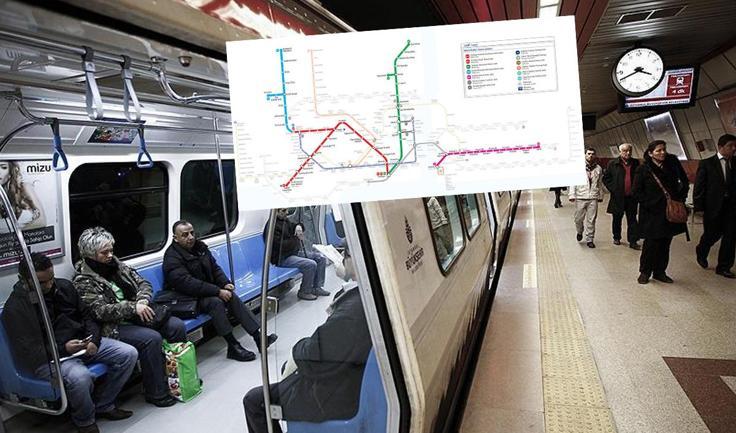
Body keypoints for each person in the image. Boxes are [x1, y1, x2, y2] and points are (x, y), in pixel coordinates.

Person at [2, 252, 137, 433]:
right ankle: (85, 422)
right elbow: (29, 351)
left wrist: (93, 339)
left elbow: (87, 316)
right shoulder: (15, 309)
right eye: (42, 283)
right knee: (80, 377)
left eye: (51, 278)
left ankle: (104, 404)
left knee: (128, 354)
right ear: (24, 280)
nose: (50, 285)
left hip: (81, 344)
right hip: (50, 358)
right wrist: (63, 349)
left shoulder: (64, 287)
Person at [243, 247, 372, 433]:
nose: (342, 259)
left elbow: (313, 355)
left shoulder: (350, 312)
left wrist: (297, 348)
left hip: (335, 393)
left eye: (346, 255)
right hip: (350, 377)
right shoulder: (366, 295)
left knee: (255, 401)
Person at [74, 227, 186, 407]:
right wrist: (133, 307)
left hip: (138, 313)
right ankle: (156, 392)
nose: (110, 255)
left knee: (176, 326)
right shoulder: (83, 281)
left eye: (111, 250)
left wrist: (142, 299)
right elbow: (99, 311)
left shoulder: (118, 266)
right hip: (113, 326)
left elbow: (143, 283)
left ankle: (179, 380)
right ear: (90, 254)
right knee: (151, 339)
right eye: (104, 253)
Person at [162, 220, 277, 362]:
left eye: (192, 233)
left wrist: (225, 283)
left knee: (230, 296)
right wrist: (218, 291)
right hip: (185, 298)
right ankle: (233, 346)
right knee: (215, 302)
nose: (190, 237)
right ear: (175, 238)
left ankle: (259, 338)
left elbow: (215, 268)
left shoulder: (200, 247)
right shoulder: (172, 258)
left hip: (203, 292)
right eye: (185, 235)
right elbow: (187, 284)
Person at [633, 140, 689, 284]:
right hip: (652, 213)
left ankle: (660, 271)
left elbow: (684, 182)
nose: (662, 153)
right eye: (658, 150)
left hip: (669, 211)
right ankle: (645, 272)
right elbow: (636, 191)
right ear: (650, 153)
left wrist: (680, 199)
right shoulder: (643, 169)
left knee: (665, 242)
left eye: (664, 149)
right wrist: (649, 203)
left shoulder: (672, 165)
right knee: (651, 243)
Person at [694, 133, 736, 278]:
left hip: (731, 207)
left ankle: (724, 267)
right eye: (730, 146)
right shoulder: (707, 163)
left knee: (730, 237)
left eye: (735, 146)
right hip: (713, 207)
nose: (733, 149)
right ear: (720, 147)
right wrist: (699, 207)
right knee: (712, 234)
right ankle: (701, 250)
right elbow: (699, 186)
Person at [265, 208, 328, 301]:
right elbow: (281, 246)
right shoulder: (271, 227)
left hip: (293, 253)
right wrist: (296, 239)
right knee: (310, 264)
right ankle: (304, 291)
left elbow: (294, 226)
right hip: (282, 258)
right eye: (283, 211)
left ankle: (317, 287)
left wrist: (299, 227)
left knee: (320, 258)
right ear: (276, 212)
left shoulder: (285, 220)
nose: (287, 213)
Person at [602, 143, 641, 249]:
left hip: (631, 197)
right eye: (625, 151)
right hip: (618, 197)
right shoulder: (613, 163)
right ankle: (616, 237)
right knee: (617, 218)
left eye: (629, 151)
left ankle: (633, 241)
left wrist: (637, 190)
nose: (627, 153)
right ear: (620, 152)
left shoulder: (636, 163)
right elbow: (606, 178)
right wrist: (613, 189)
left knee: (632, 219)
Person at [569, 148, 604, 248]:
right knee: (578, 219)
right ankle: (580, 231)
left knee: (591, 220)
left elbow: (600, 183)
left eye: (593, 154)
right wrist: (572, 194)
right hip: (581, 196)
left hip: (593, 197)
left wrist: (600, 195)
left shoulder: (598, 168)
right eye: (588, 154)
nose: (590, 156)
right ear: (585, 155)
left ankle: (590, 239)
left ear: (595, 155)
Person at [0, 160, 46, 230]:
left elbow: (42, 221)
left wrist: (16, 232)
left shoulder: (24, 187)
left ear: (10, 172)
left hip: (30, 236)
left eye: (3, 167)